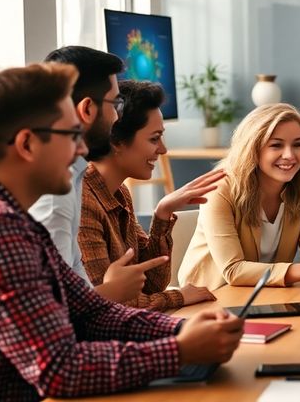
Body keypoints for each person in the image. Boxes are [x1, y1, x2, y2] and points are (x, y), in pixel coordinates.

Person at [0, 64, 243, 400]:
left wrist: (183, 331)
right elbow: (58, 370)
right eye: (72, 135)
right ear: (28, 144)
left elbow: (90, 310)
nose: (82, 150)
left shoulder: (6, 216)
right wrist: (179, 350)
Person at [80, 80, 222, 311]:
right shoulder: (84, 203)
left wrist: (163, 213)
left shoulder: (120, 192)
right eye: (154, 138)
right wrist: (179, 297)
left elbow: (153, 284)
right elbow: (111, 305)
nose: (163, 149)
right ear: (116, 141)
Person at [28, 45, 154, 303]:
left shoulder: (73, 178)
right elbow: (61, 313)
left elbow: (80, 295)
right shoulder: (54, 195)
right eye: (116, 103)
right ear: (87, 109)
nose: (118, 117)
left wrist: (176, 331)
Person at [177, 103, 300, 289]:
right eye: (276, 145)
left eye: (298, 144)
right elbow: (233, 270)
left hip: (268, 293)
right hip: (209, 295)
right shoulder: (219, 189)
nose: (289, 155)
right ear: (252, 148)